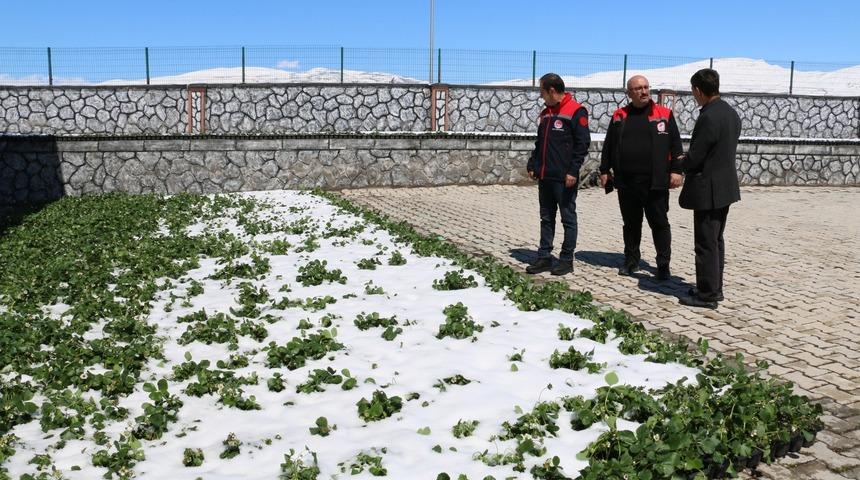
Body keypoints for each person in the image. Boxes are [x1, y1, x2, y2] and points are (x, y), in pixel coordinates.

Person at [599, 75, 684, 281]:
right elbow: (609, 145)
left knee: (659, 224)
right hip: (627, 182)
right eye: (638, 88)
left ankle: (663, 264)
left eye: (646, 87)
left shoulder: (664, 114)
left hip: (655, 182)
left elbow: (676, 145)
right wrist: (604, 170)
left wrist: (676, 171)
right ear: (629, 93)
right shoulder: (619, 116)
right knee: (631, 224)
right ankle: (631, 260)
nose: (644, 91)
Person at [678, 68, 741, 309]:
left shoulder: (709, 116)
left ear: (697, 90)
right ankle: (715, 287)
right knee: (715, 240)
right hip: (724, 187)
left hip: (708, 189)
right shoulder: (729, 112)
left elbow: (697, 156)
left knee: (705, 242)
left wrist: (680, 163)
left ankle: (706, 294)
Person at [525, 73, 591, 276]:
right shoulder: (546, 113)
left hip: (564, 178)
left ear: (551, 91)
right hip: (545, 176)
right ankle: (544, 257)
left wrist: (573, 171)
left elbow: (582, 144)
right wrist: (533, 164)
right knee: (546, 218)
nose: (541, 96)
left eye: (542, 91)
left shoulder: (576, 111)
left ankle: (566, 260)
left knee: (567, 218)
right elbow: (540, 144)